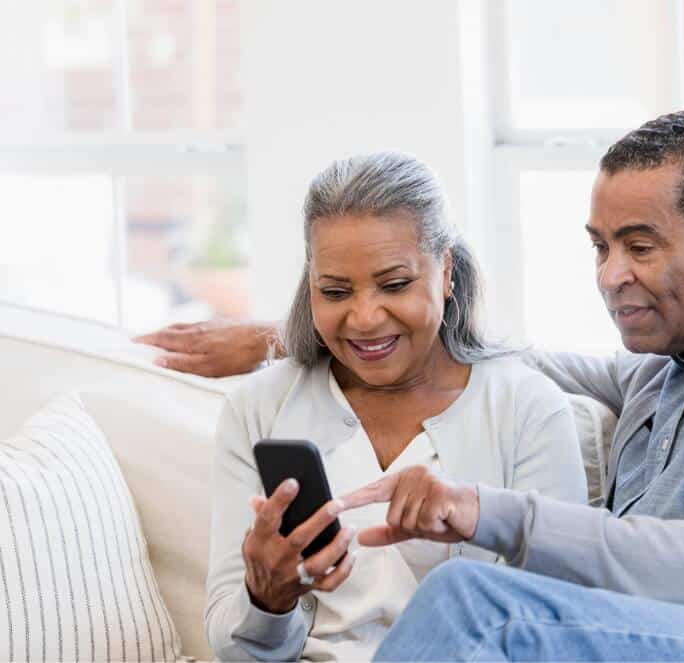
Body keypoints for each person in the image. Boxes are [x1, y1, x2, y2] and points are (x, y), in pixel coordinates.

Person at [139, 113, 684, 661]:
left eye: (641, 245)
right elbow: (499, 356)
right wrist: (297, 335)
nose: (611, 275)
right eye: (599, 245)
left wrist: (481, 510)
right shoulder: (680, 362)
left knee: (483, 607)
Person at [202, 152, 587, 661]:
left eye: (395, 284)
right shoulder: (257, 408)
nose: (364, 319)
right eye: (335, 291)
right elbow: (233, 649)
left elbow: (560, 627)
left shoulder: (527, 409)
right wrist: (268, 600)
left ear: (446, 270)